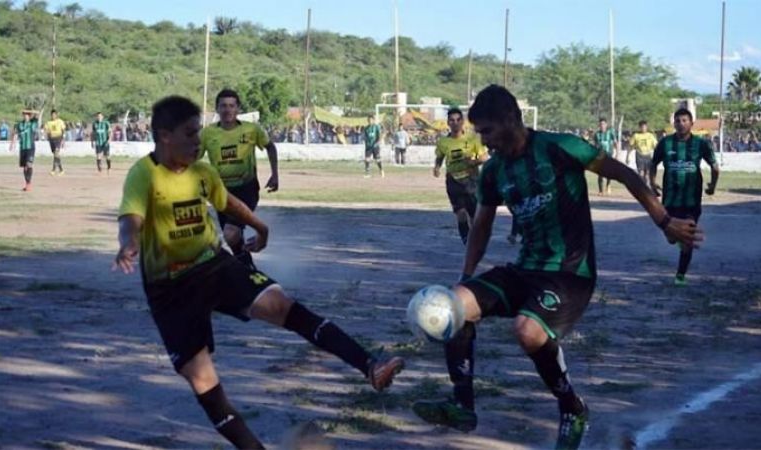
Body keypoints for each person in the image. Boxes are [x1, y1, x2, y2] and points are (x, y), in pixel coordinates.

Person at [411, 85, 703, 450]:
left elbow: (625, 174)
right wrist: (466, 277)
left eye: (487, 131)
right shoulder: (494, 171)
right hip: (525, 270)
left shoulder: (560, 147)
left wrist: (664, 221)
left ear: (511, 119)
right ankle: (462, 406)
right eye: (479, 133)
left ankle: (572, 408)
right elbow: (482, 226)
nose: (483, 141)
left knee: (528, 331)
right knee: (451, 305)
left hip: (570, 273)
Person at [114, 96, 404, 450]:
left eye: (198, 132)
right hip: (170, 290)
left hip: (213, 266)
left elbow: (227, 202)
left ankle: (370, 366)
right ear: (164, 135)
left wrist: (260, 226)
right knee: (203, 381)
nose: (197, 141)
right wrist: (128, 242)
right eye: (190, 134)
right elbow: (130, 218)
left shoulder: (202, 173)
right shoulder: (143, 174)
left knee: (282, 305)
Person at [199, 89, 279, 271]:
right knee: (233, 238)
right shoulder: (207, 134)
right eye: (223, 106)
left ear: (238, 109)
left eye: (231, 106)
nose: (227, 110)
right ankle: (248, 271)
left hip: (246, 189)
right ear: (217, 109)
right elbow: (192, 159)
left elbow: (270, 147)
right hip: (221, 193)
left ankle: (248, 272)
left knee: (231, 233)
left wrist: (275, 174)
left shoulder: (251, 130)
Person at [650, 108, 719, 286]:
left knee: (688, 236)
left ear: (691, 123)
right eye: (678, 121)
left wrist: (712, 185)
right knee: (671, 238)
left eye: (684, 120)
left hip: (691, 200)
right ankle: (677, 238)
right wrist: (652, 182)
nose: (681, 124)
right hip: (670, 200)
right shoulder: (665, 143)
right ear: (674, 123)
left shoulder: (701, 144)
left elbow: (714, 166)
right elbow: (653, 163)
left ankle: (680, 276)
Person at [433, 108, 487, 245]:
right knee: (461, 213)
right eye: (452, 120)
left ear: (463, 122)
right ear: (448, 123)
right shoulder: (443, 142)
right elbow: (440, 156)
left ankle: (475, 238)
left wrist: (473, 162)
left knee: (474, 215)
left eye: (458, 120)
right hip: (453, 180)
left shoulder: (473, 139)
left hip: (471, 180)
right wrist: (437, 167)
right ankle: (465, 237)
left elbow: (484, 157)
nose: (455, 123)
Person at [9, 110, 39, 191]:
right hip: (22, 148)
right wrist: (12, 144)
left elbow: (37, 114)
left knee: (29, 164)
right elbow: (15, 133)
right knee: (25, 167)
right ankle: (27, 183)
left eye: (27, 115)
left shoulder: (32, 123)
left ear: (30, 116)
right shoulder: (20, 124)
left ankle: (29, 184)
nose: (25, 116)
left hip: (30, 147)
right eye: (24, 115)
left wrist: (29, 111)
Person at [628, 120, 658, 188]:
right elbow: (630, 146)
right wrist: (628, 156)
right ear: (639, 127)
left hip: (648, 155)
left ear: (647, 127)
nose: (643, 128)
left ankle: (646, 186)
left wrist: (658, 154)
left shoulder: (650, 135)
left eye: (645, 127)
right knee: (641, 173)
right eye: (642, 127)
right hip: (639, 155)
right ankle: (642, 186)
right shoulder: (636, 135)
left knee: (647, 173)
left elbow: (656, 146)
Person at [593, 118, 618, 195]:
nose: (602, 126)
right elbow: (595, 145)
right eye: (601, 124)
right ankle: (600, 191)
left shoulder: (610, 132)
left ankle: (608, 185)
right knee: (600, 173)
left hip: (609, 154)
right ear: (599, 125)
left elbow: (615, 143)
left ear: (606, 125)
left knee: (608, 171)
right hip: (600, 155)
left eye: (603, 124)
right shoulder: (597, 134)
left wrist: (617, 153)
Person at [44, 109, 66, 176]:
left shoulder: (60, 121)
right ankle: (61, 170)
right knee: (56, 155)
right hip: (51, 139)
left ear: (56, 115)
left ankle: (53, 170)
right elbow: (46, 131)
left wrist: (63, 139)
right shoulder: (48, 122)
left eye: (54, 115)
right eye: (52, 115)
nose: (53, 116)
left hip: (58, 138)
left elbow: (63, 130)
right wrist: (47, 137)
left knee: (56, 153)